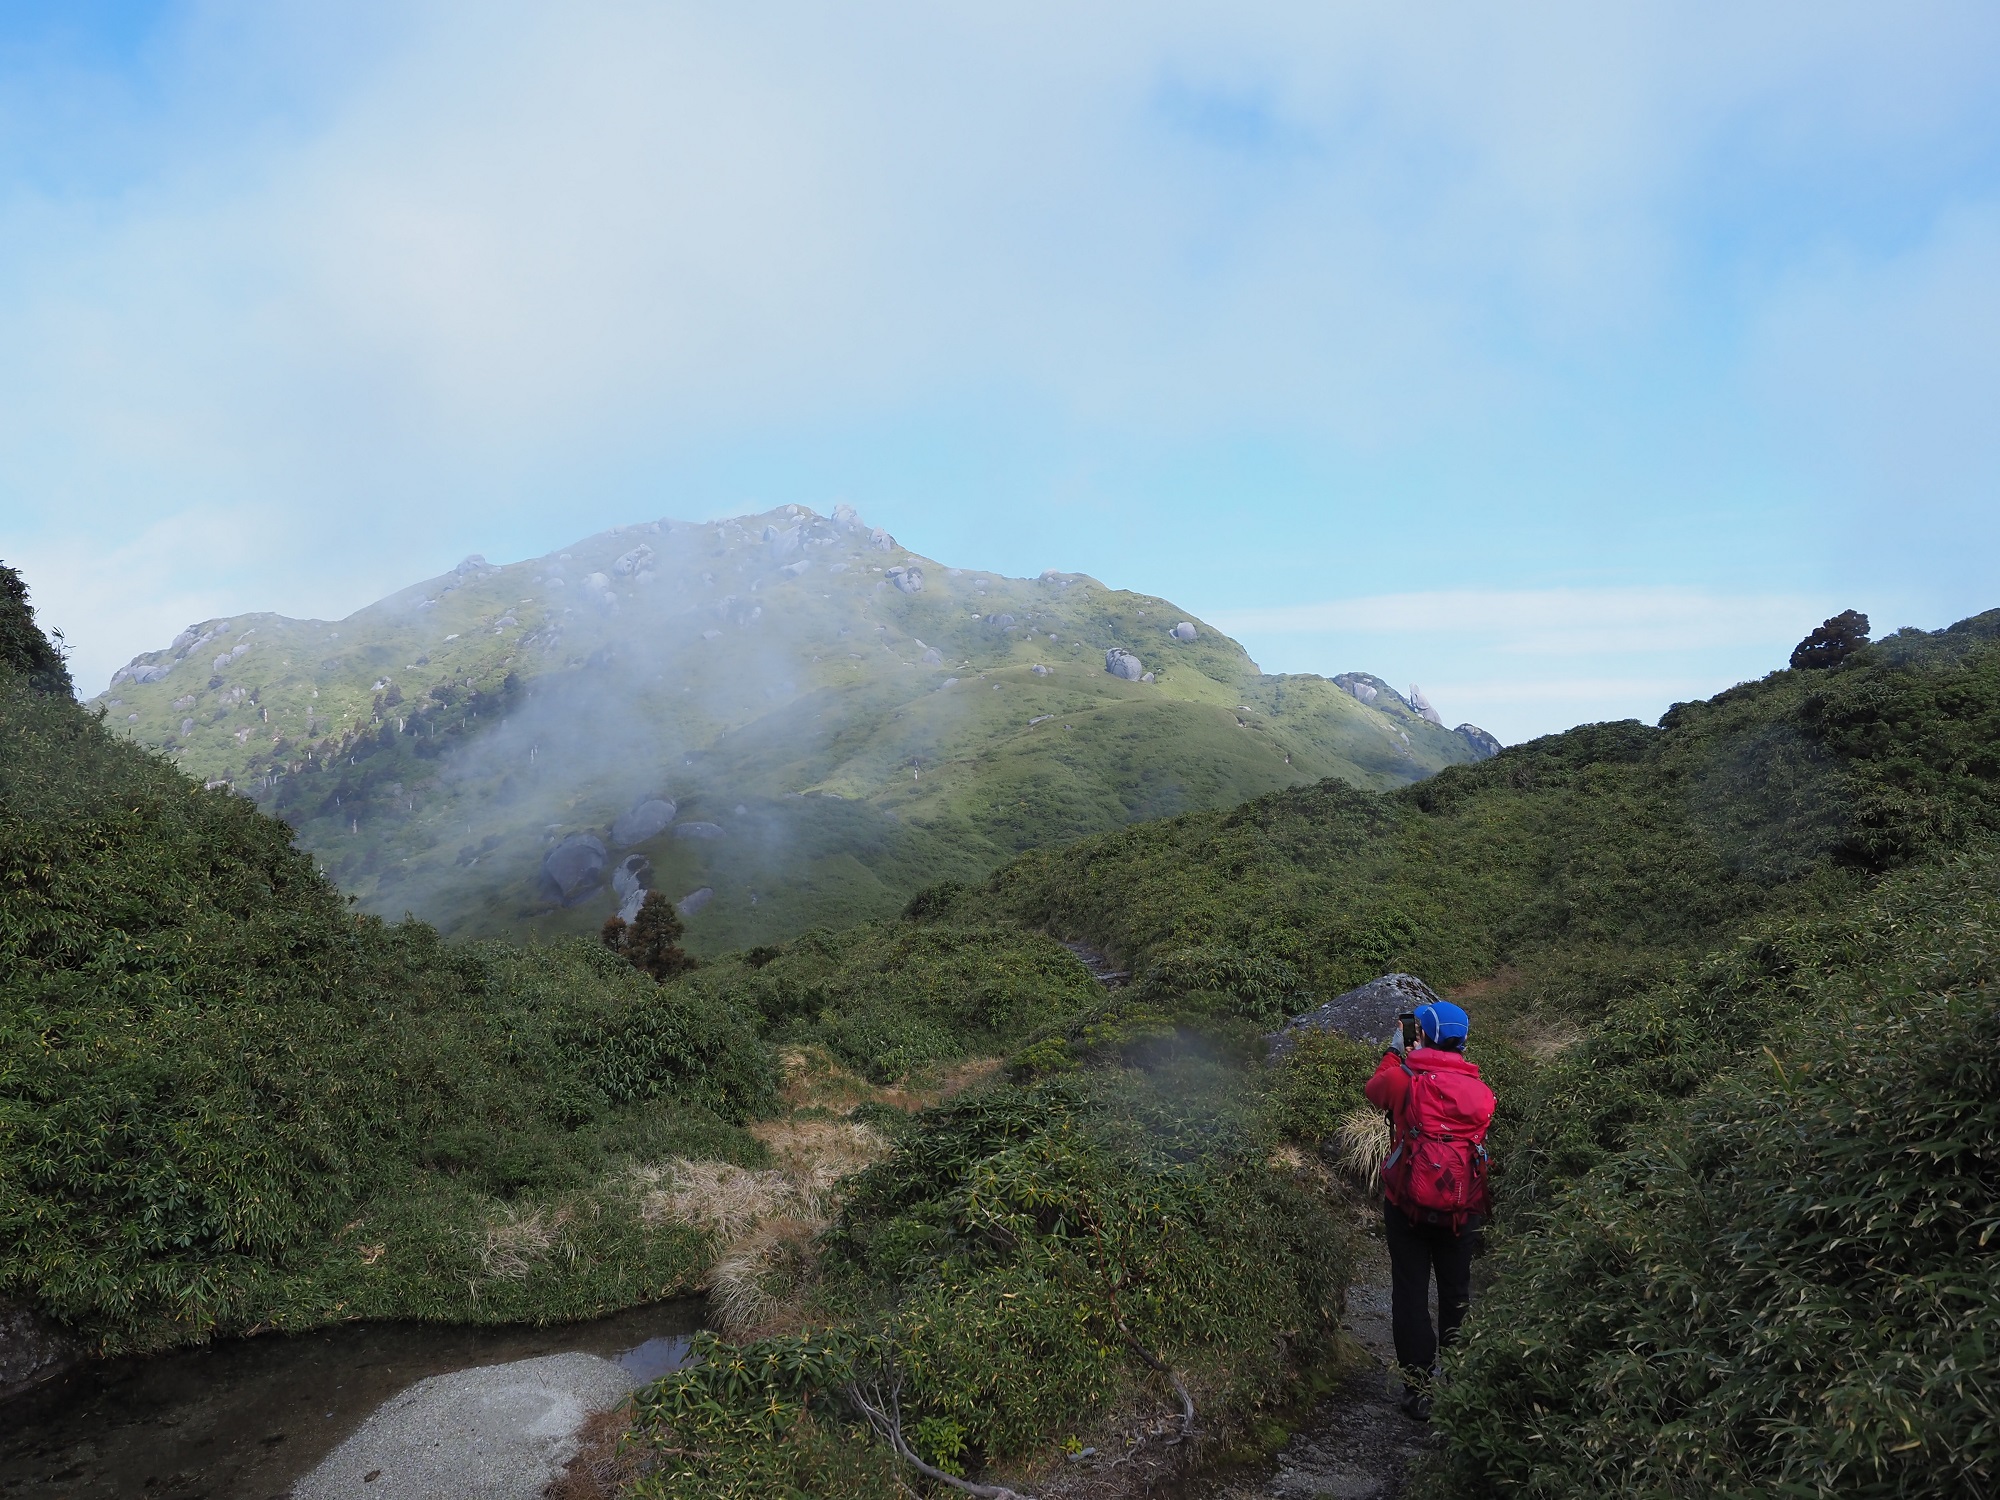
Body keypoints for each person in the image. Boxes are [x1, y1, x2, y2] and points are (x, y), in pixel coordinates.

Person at [1363, 997, 1496, 1421]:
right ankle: (1458, 1386)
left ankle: (1418, 1391)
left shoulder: (1405, 1079)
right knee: (1456, 1293)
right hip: (1462, 1205)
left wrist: (1393, 1052)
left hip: (1408, 1204)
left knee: (1410, 1291)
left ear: (1421, 1034)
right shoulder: (1481, 1092)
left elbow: (1374, 1091)